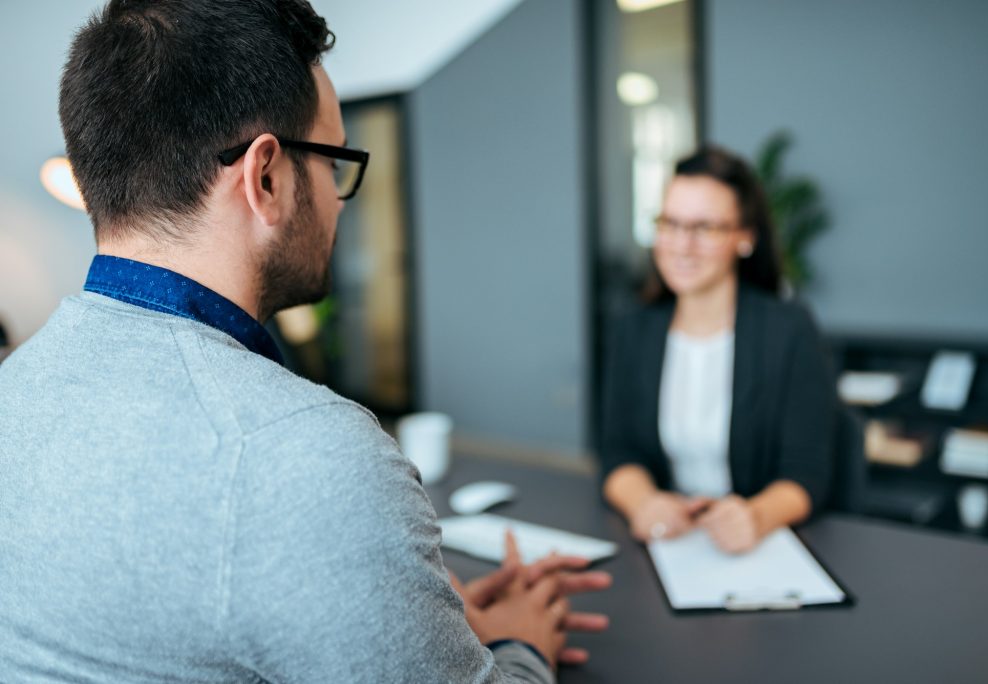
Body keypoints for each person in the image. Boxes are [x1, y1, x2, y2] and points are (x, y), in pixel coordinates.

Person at [0, 1, 608, 682]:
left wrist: (420, 620)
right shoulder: (308, 453)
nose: (340, 198)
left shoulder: (12, 392)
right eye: (333, 162)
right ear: (266, 178)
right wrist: (522, 644)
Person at [599, 145, 836, 554]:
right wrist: (643, 502)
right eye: (669, 223)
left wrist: (757, 516)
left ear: (744, 237)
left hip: (759, 547)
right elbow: (617, 452)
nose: (681, 245)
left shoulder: (789, 329)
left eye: (704, 228)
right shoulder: (634, 329)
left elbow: (807, 472)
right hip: (667, 545)